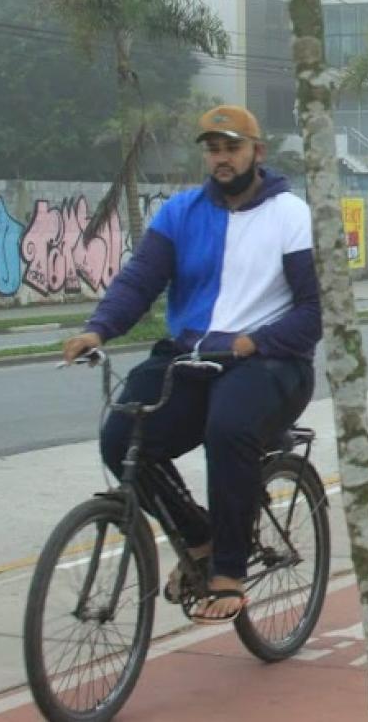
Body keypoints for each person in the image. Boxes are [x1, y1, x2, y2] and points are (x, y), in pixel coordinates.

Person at [61, 105, 320, 625]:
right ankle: (199, 538)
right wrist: (98, 328)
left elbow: (318, 309)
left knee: (228, 427)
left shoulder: (290, 214)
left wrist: (258, 341)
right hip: (192, 358)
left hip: (271, 362)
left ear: (257, 153)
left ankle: (228, 568)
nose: (221, 159)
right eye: (213, 149)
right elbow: (139, 280)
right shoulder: (180, 213)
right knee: (122, 437)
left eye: (232, 148)